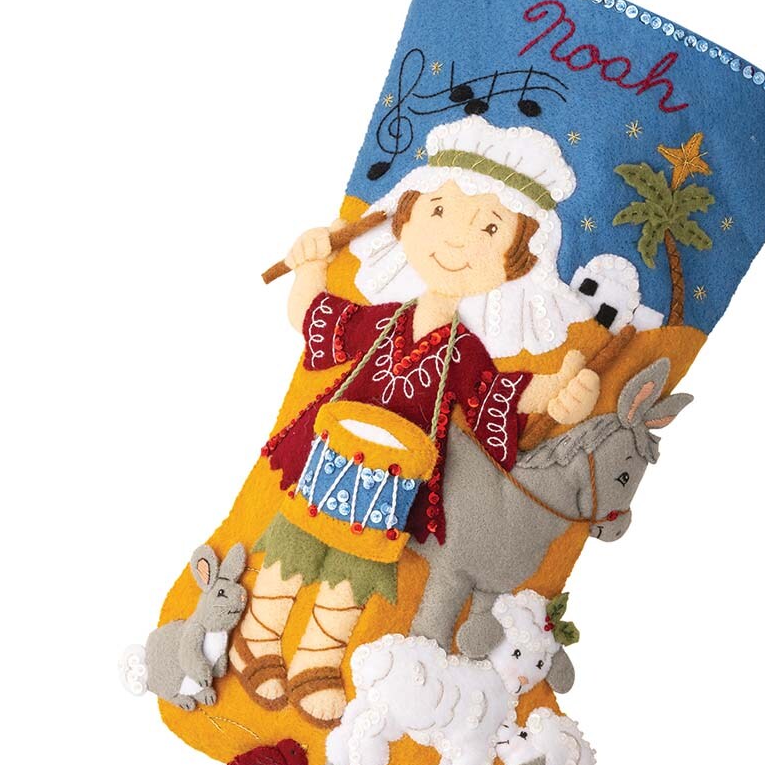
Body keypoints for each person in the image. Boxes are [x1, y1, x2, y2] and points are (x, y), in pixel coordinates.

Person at [231, 117, 599, 726]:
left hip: (393, 488)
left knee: (355, 571)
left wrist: (559, 394)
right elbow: (312, 318)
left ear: (514, 260)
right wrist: (312, 265)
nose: (458, 239)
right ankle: (256, 636)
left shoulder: (466, 350)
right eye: (440, 211)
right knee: (293, 545)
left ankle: (318, 661)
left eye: (488, 227)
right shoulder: (383, 320)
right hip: (328, 459)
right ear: (405, 219)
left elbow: (499, 394)